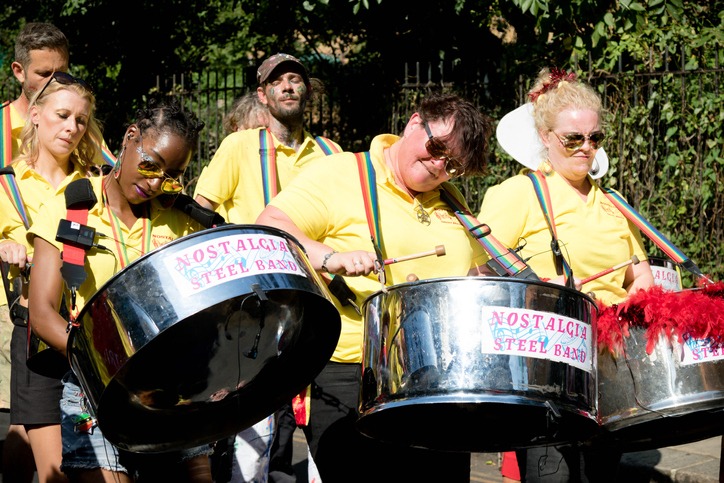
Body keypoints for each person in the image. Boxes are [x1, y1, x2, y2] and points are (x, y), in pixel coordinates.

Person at [256, 91, 493, 482]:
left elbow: (473, 279)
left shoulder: (450, 201)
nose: (438, 165)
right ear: (414, 122)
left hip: (437, 381)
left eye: (453, 165)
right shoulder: (342, 173)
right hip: (353, 371)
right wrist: (330, 256)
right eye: (436, 148)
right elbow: (271, 225)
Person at [477, 67, 655, 482]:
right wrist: (537, 289)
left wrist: (634, 304)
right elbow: (481, 272)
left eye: (595, 138)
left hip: (609, 367)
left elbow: (640, 273)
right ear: (544, 136)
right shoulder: (518, 193)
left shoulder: (613, 201)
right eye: (573, 138)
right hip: (546, 370)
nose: (586, 147)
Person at [26, 97, 213, 482]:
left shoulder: (184, 220)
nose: (155, 183)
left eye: (172, 175)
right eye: (150, 165)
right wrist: (111, 367)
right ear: (130, 138)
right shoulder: (71, 206)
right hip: (94, 390)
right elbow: (42, 313)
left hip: (171, 391)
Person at [194, 53, 341, 483]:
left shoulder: (331, 154)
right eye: (279, 81)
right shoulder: (240, 146)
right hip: (254, 303)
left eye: (296, 79)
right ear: (263, 94)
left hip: (314, 298)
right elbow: (202, 210)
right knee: (253, 426)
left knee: (321, 415)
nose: (289, 86)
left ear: (306, 92)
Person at [0, 23, 115, 482]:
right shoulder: (9, 181)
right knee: (52, 466)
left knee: (81, 459)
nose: (71, 128)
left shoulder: (94, 182)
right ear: (35, 117)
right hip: (33, 327)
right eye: (62, 116)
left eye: (80, 120)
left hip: (89, 328)